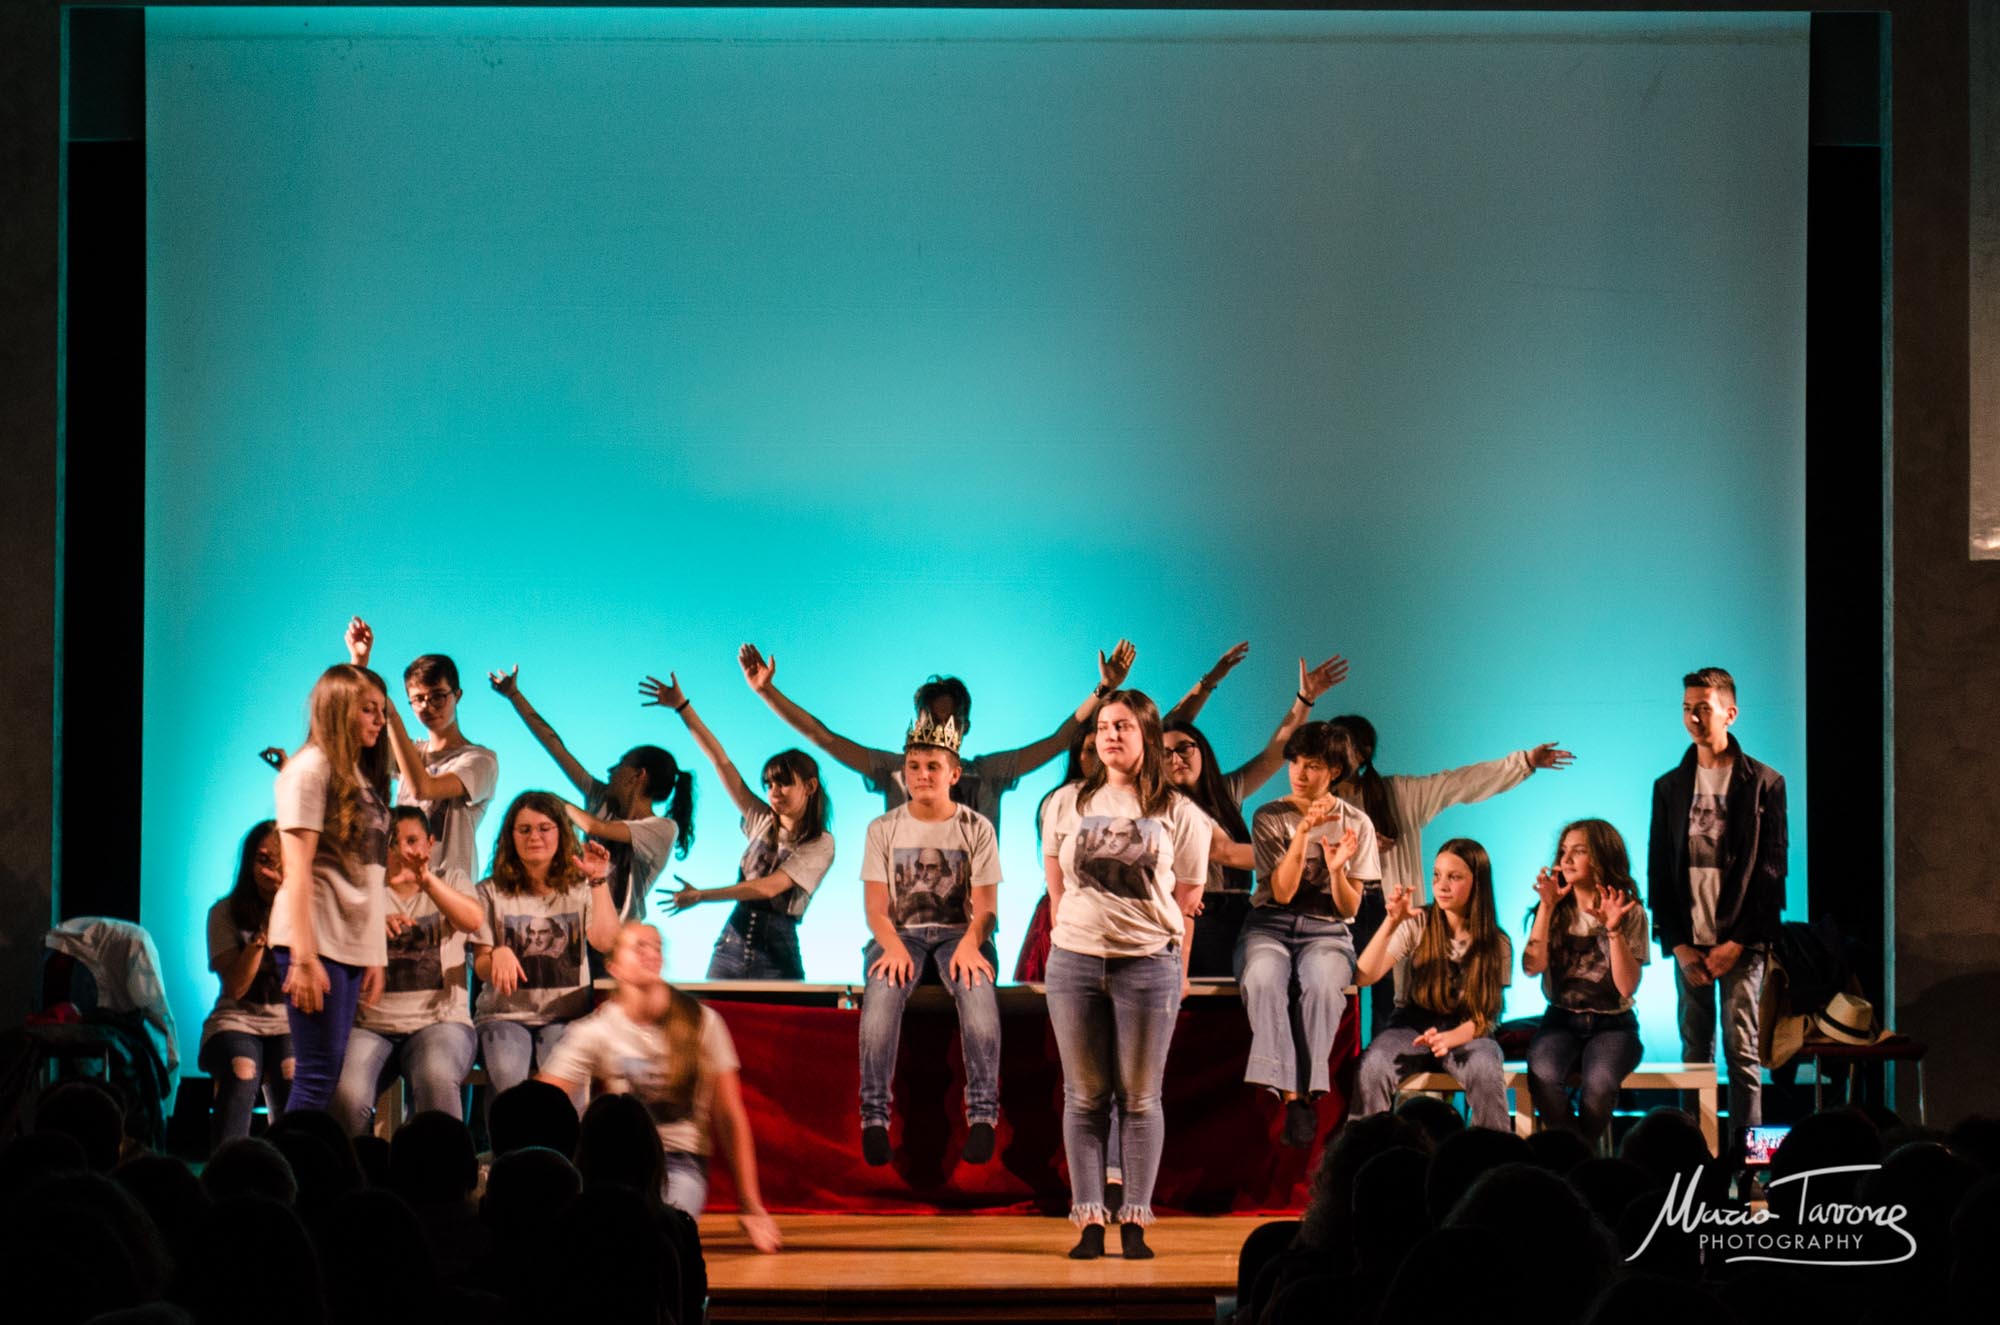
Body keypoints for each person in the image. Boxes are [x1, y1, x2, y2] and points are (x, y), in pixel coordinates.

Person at [1041, 690, 1209, 1260]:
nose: (1111, 735)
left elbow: (1188, 895)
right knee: (1084, 1097)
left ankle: (1135, 1219)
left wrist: (1173, 962)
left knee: (1140, 1097)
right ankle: (1090, 1220)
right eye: (1105, 726)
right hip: (1075, 962)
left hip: (1147, 964)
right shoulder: (1065, 802)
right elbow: (1054, 875)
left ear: (1148, 737)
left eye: (1124, 726)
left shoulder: (1180, 813)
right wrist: (1070, 925)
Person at [539, 922, 782, 1252]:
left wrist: (750, 1205)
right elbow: (542, 1101)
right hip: (617, 1164)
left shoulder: (702, 1021)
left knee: (661, 1231)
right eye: (638, 946)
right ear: (614, 967)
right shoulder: (597, 1030)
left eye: (656, 946)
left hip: (680, 1161)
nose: (650, 952)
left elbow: (729, 1116)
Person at [1326, 714, 1572, 1035]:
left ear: (1362, 753)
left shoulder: (1397, 794)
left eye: (1341, 746)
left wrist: (1523, 762)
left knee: (1391, 1005)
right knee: (1339, 999)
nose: (1332, 754)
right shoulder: (1318, 804)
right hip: (1341, 910)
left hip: (1394, 909)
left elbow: (1459, 783)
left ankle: (1393, 1065)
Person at [737, 639, 1135, 835]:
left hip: (969, 924)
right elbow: (823, 737)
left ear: (964, 727)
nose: (941, 729)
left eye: (950, 720)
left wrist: (1103, 689)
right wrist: (766, 692)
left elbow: (1058, 741)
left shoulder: (987, 774)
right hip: (903, 926)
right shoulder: (896, 771)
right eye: (931, 719)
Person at [1646, 666, 1786, 1153]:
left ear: (1730, 713)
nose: (1692, 717)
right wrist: (1678, 944)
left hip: (1741, 944)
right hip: (1691, 943)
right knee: (1695, 1054)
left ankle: (1752, 1170)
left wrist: (1738, 942)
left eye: (1703, 708)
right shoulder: (1669, 786)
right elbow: (1659, 872)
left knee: (1743, 1054)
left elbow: (1772, 873)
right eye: (1687, 708)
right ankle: (1693, 1159)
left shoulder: (1764, 782)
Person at [856, 714, 1003, 1167]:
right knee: (882, 995)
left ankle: (983, 1114)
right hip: (901, 933)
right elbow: (875, 909)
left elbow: (987, 909)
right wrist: (893, 945)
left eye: (933, 766)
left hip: (961, 933)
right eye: (914, 766)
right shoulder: (883, 828)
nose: (922, 774)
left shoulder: (976, 827)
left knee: (978, 995)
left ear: (954, 774)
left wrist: (972, 943)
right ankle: (873, 1117)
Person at [1160, 643, 1351, 975]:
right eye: (1165, 754)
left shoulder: (1225, 790)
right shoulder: (1163, 804)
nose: (1176, 759)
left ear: (1202, 750)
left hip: (1239, 909)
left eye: (1185, 748)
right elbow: (1225, 852)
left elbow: (1275, 754)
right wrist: (1300, 855)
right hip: (1193, 912)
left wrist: (1304, 700)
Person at [639, 671, 836, 979]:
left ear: (810, 787)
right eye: (769, 784)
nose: (774, 791)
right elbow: (721, 761)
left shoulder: (820, 842)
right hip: (731, 944)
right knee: (713, 1008)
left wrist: (701, 895)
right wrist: (682, 707)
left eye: (783, 783)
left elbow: (768, 887)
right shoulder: (760, 818)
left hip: (778, 953)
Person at [1238, 722, 1380, 1147]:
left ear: (1334, 771)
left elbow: (1349, 908)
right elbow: (1281, 892)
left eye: (1312, 765)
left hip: (1327, 931)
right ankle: (1292, 1095)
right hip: (1269, 925)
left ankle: (1310, 1088)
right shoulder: (1269, 815)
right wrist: (1301, 834)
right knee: (1263, 978)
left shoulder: (1357, 823)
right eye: (1295, 763)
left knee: (1322, 984)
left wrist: (1336, 871)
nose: (1299, 773)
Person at [270, 663, 393, 1111]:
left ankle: (300, 1156)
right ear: (340, 710)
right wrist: (303, 958)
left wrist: (373, 952)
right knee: (317, 1075)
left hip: (346, 944)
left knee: (329, 1073)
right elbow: (297, 871)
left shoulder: (353, 773)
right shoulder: (308, 770)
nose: (380, 721)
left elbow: (367, 873)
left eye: (382, 711)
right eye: (369, 710)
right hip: (315, 942)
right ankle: (285, 1158)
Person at [489, 665, 692, 922]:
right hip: (578, 924)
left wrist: (551, 801)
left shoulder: (662, 829)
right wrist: (514, 695)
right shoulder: (602, 799)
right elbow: (555, 746)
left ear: (638, 776)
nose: (610, 770)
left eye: (620, 764)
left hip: (618, 936)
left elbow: (595, 827)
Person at [332, 807, 485, 1135]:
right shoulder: (365, 889)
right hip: (372, 1026)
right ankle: (357, 1166)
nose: (403, 850)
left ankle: (446, 1167)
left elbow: (472, 920)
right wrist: (373, 925)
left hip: (440, 1024)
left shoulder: (450, 878)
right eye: (392, 842)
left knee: (436, 1077)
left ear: (430, 843)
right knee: (348, 1094)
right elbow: (337, 946)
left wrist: (426, 880)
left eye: (412, 840)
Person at [1351, 840, 1514, 1132]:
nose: (1442, 885)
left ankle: (1491, 1153)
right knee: (1373, 1065)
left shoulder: (1497, 943)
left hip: (1467, 1030)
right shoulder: (1418, 923)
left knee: (1485, 1069)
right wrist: (1391, 923)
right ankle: (1367, 1148)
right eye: (1437, 875)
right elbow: (1363, 976)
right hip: (1411, 1027)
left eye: (1454, 877)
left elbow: (1486, 1017)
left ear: (1477, 883)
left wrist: (1449, 1039)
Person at [471, 791, 623, 1099]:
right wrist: (498, 954)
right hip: (503, 1016)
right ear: (511, 836)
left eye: (544, 828)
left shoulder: (580, 888)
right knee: (508, 1077)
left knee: (566, 1085)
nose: (534, 837)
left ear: (561, 833)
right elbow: (482, 965)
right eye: (524, 829)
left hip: (565, 1018)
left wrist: (598, 881)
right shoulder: (489, 891)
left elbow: (606, 941)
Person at [343, 618, 500, 883]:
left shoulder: (480, 760)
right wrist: (359, 662)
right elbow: (352, 736)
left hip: (449, 892)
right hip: (401, 887)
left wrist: (390, 714)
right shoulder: (410, 752)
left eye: (438, 695)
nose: (428, 706)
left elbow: (423, 788)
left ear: (457, 695)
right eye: (418, 699)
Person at [1523, 819, 1649, 1146]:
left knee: (1601, 1084)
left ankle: (1574, 1153)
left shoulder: (1629, 911)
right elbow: (1531, 967)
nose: (1565, 860)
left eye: (1578, 851)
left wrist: (1614, 930)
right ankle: (1579, 1154)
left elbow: (1627, 987)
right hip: (1560, 1020)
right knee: (1542, 1074)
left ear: (1602, 856)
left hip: (1614, 1025)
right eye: (1563, 851)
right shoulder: (1552, 908)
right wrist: (1546, 907)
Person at [198, 821, 293, 1144]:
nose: (270, 870)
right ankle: (228, 1164)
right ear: (249, 862)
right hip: (236, 1020)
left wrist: (285, 904)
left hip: (287, 1024)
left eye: (280, 862)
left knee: (291, 1071)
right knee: (243, 1069)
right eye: (263, 860)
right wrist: (263, 933)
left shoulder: (305, 914)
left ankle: (289, 1163)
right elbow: (236, 987)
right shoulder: (224, 912)